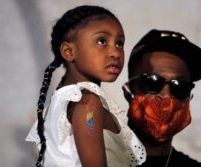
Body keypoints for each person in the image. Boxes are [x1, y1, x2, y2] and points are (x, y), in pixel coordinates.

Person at [25, 5, 146, 167]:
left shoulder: (63, 100)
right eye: (102, 41)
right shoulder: (87, 103)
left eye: (119, 43)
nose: (115, 53)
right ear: (68, 52)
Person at [122, 29, 201, 167]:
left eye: (180, 87)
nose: (166, 95)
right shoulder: (90, 160)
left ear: (189, 98)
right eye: (152, 82)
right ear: (129, 91)